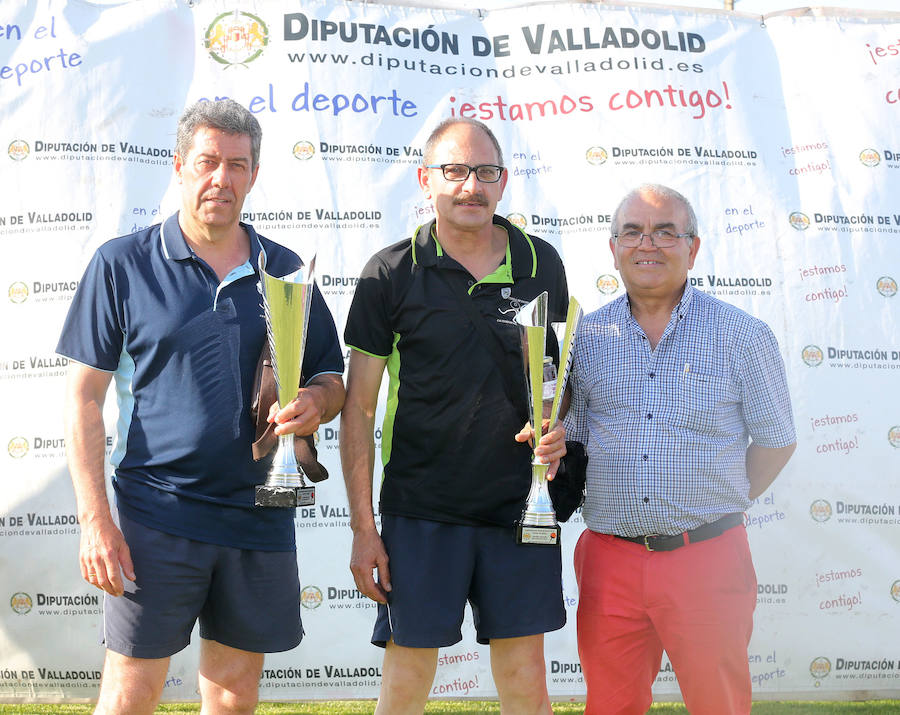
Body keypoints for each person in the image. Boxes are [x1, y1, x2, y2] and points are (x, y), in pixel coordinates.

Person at [58, 99, 345, 715]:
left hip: (260, 515)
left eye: (237, 165)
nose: (222, 178)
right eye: (208, 162)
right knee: (130, 694)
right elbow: (84, 399)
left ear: (255, 174)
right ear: (180, 166)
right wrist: (94, 519)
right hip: (155, 515)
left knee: (232, 698)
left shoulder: (286, 270)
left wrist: (316, 402)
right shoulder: (122, 263)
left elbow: (331, 376)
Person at [339, 117, 568, 715]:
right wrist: (365, 529)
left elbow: (553, 379)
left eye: (484, 172)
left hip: (520, 504)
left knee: (524, 676)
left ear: (504, 181)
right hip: (420, 510)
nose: (470, 186)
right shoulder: (390, 272)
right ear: (425, 181)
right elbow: (359, 408)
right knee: (408, 674)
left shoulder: (541, 263)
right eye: (454, 171)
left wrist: (553, 422)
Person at [565, 184, 796, 714]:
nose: (649, 244)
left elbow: (776, 442)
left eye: (666, 232)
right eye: (633, 232)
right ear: (614, 247)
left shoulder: (743, 335)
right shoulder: (584, 337)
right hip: (608, 560)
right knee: (610, 706)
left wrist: (722, 500)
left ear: (693, 248)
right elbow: (571, 442)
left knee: (720, 704)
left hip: (707, 556)